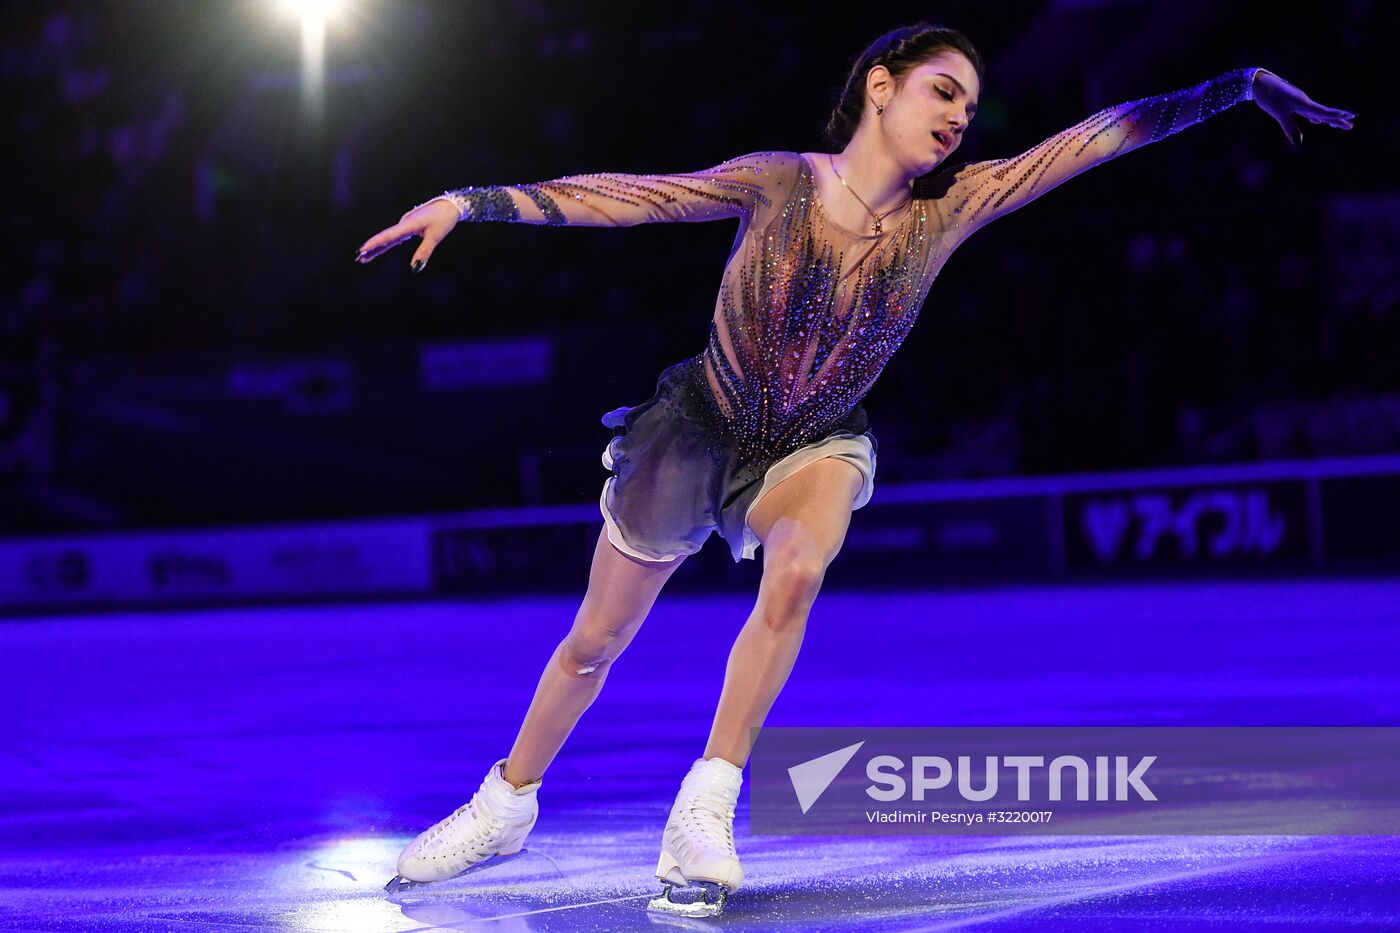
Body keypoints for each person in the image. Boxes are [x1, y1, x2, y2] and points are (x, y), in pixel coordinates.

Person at [357, 21, 1354, 914]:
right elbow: (636, 199)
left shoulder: (947, 210)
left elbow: (1084, 145)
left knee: (795, 571)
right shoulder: (777, 180)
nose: (959, 118)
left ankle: (707, 803)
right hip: (697, 423)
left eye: (968, 103)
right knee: (592, 644)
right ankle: (505, 805)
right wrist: (471, 202)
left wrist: (1231, 86)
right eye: (941, 91)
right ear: (880, 86)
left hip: (815, 442)